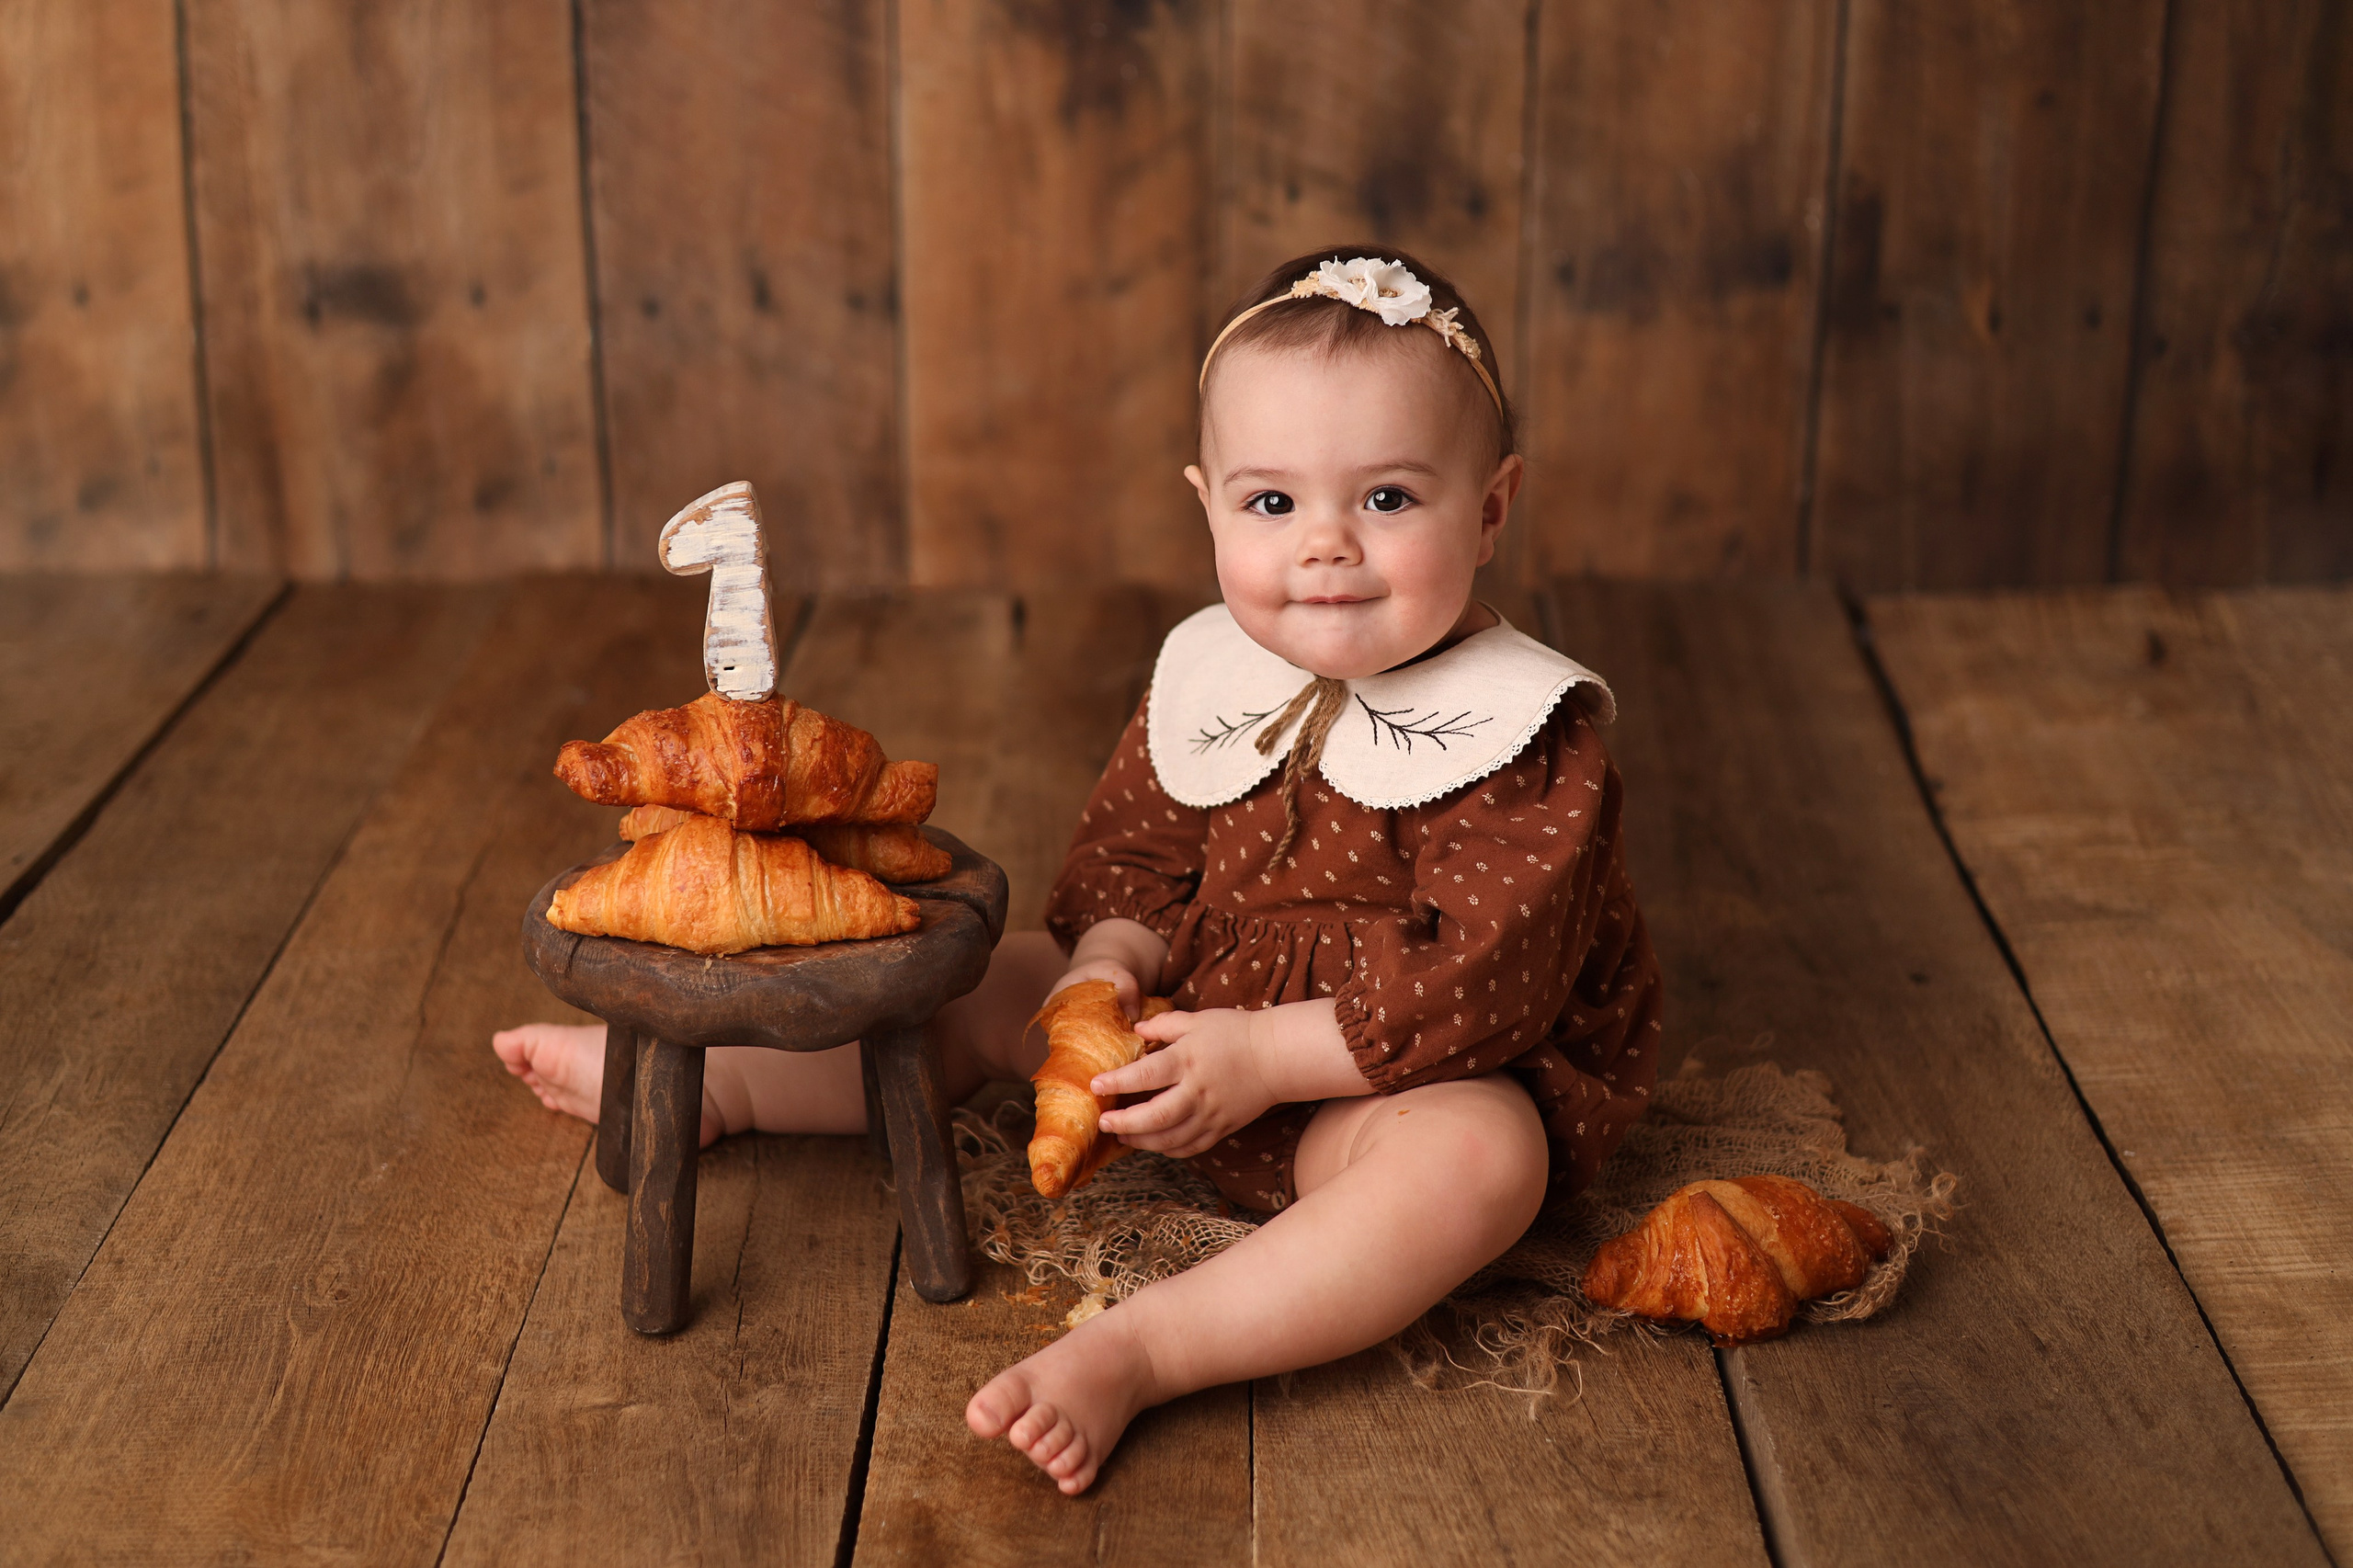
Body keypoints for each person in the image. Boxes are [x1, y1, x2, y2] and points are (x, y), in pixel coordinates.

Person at [494, 247, 1662, 1495]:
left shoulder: (1529, 736)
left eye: (1387, 499)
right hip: (1184, 1018)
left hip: (1378, 1087)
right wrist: (1111, 965)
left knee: (1483, 1163)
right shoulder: (1216, 670)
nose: (1327, 548)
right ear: (1208, 503)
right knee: (986, 986)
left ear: (1489, 508)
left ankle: (1149, 1346)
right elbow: (1138, 848)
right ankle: (726, 1086)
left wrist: (1267, 1058)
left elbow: (1484, 983)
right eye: (1274, 505)